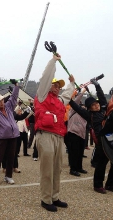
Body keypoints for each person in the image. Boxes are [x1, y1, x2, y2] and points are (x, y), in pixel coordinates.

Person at [34, 54, 75, 212]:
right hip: (45, 135)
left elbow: (67, 95)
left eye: (59, 86)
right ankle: (45, 199)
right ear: (49, 86)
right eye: (55, 85)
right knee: (47, 168)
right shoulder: (42, 95)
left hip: (58, 136)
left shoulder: (59, 101)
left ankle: (55, 196)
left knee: (57, 167)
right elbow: (45, 78)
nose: (57, 87)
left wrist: (71, 83)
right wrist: (53, 62)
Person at [69, 79, 113, 194]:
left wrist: (97, 85)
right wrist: (69, 97)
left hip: (110, 139)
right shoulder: (89, 115)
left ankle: (110, 184)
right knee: (102, 164)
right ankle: (98, 185)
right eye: (93, 105)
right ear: (89, 108)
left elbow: (102, 97)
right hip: (101, 142)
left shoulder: (104, 109)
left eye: (96, 103)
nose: (96, 105)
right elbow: (75, 106)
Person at [67, 88, 88, 176]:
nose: (82, 107)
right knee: (74, 152)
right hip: (73, 133)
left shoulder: (86, 114)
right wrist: (82, 92)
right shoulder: (73, 110)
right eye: (81, 105)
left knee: (80, 152)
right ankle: (73, 169)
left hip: (82, 135)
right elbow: (76, 101)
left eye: (84, 106)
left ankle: (79, 167)